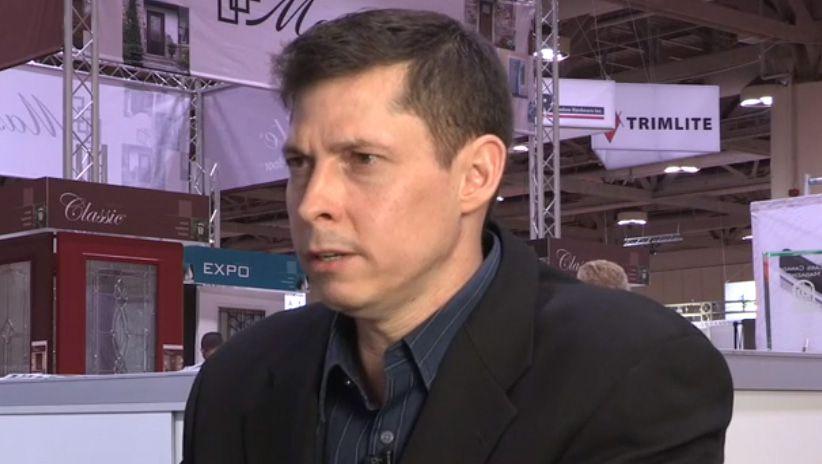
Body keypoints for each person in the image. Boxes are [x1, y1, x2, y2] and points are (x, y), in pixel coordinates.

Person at [183, 9, 733, 464]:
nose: (311, 203)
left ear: (475, 175)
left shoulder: (630, 373)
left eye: (363, 159)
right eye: (300, 163)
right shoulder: (237, 382)